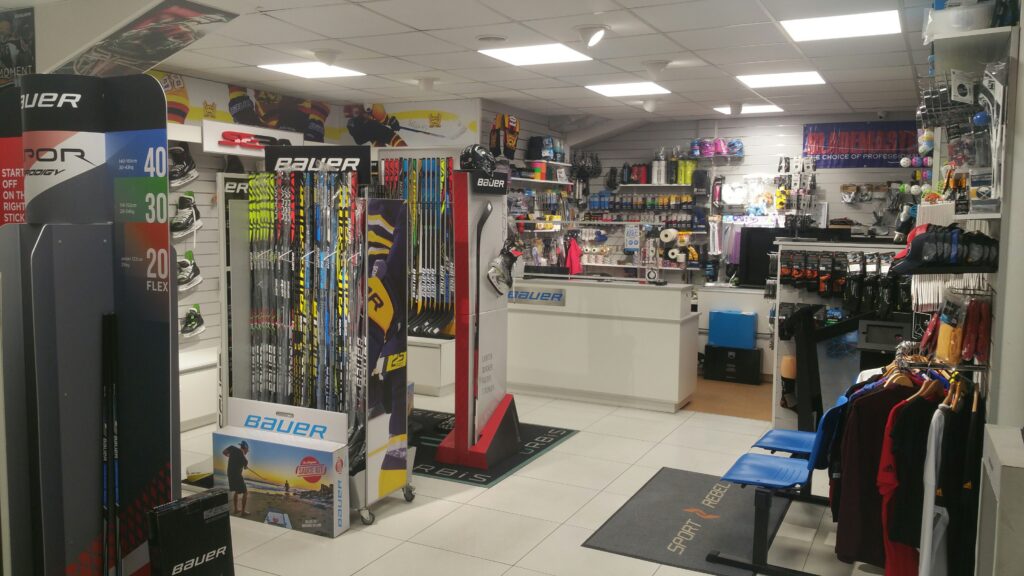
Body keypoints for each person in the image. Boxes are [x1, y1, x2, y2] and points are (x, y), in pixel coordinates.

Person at [223, 440, 250, 515]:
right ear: (245, 448)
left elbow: (224, 452)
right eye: (247, 450)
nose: (247, 452)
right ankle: (243, 511)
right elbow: (245, 467)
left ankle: (236, 510)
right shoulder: (245, 459)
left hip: (230, 474)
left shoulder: (232, 448)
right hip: (237, 476)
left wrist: (230, 456)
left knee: (237, 491)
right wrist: (246, 466)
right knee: (245, 492)